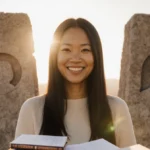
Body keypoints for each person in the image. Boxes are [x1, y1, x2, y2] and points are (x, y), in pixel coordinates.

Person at [15, 18, 136, 148]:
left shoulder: (117, 108)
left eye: (85, 50)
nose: (76, 58)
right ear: (55, 56)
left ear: (96, 56)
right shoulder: (32, 108)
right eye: (66, 50)